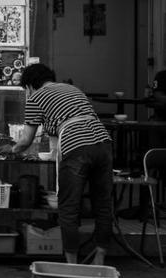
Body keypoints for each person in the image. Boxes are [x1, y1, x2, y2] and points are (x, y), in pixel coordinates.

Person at [9, 64, 113, 265]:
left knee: (69, 207)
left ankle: (72, 264)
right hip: (103, 143)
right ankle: (99, 259)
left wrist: (10, 150)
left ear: (30, 85)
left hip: (76, 146)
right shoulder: (73, 90)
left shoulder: (36, 97)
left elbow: (25, 141)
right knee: (103, 205)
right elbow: (64, 130)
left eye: (26, 89)